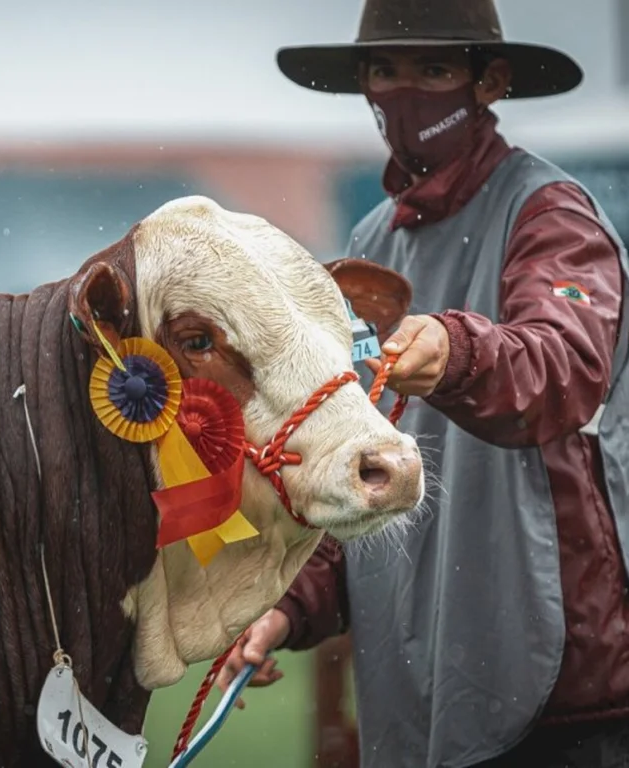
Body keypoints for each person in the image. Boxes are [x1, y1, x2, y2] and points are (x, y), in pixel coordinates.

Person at [216, 1, 629, 766]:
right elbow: (356, 466)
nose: (403, 93)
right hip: (414, 686)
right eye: (384, 70)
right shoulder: (369, 243)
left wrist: (457, 349)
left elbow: (565, 370)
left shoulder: (551, 216)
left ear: (489, 81)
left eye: (433, 70)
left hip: (558, 682)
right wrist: (287, 609)